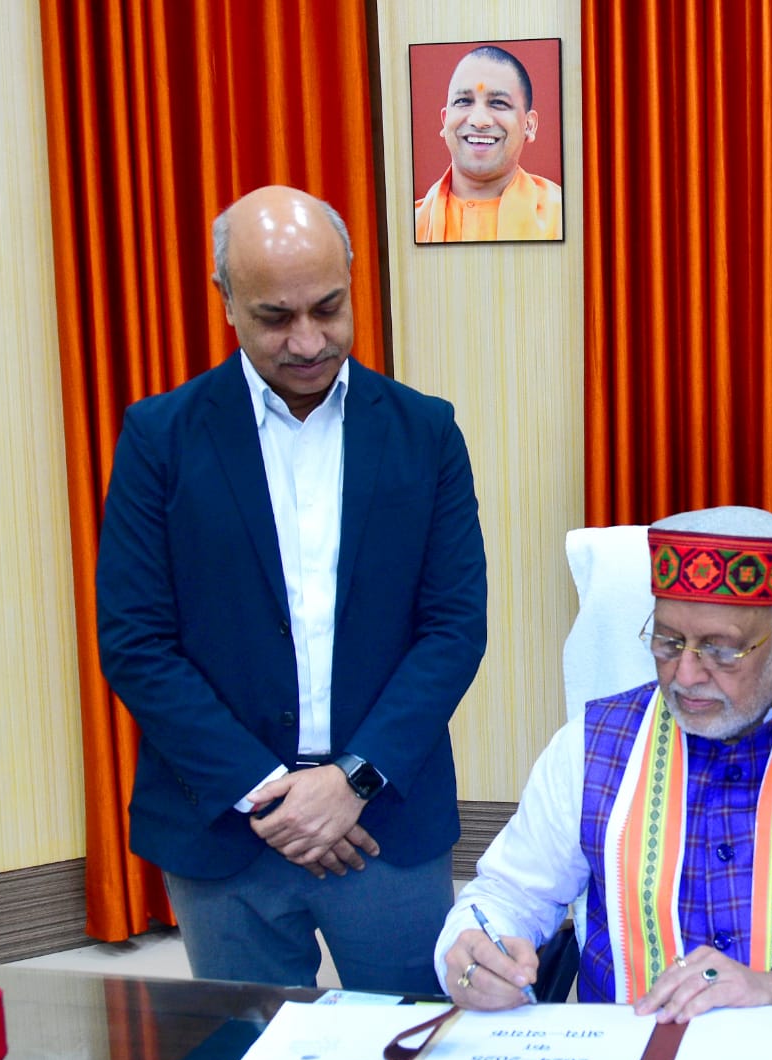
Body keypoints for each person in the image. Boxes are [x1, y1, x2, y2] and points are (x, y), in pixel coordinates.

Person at [96, 185, 488, 992]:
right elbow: (136, 642)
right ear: (226, 301)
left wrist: (354, 779)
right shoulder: (160, 438)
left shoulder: (425, 433)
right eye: (276, 317)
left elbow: (453, 627)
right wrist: (269, 794)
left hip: (384, 821)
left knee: (413, 1042)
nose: (308, 340)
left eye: (328, 308)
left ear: (351, 281)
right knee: (249, 1051)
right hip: (224, 827)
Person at [435, 506, 772, 1026]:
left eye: (720, 650)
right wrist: (470, 952)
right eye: (669, 642)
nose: (686, 675)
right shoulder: (591, 745)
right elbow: (505, 897)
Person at [415, 45, 564, 242]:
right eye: (463, 101)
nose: (479, 120)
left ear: (529, 125)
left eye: (498, 103)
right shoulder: (406, 228)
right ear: (445, 120)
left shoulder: (566, 218)